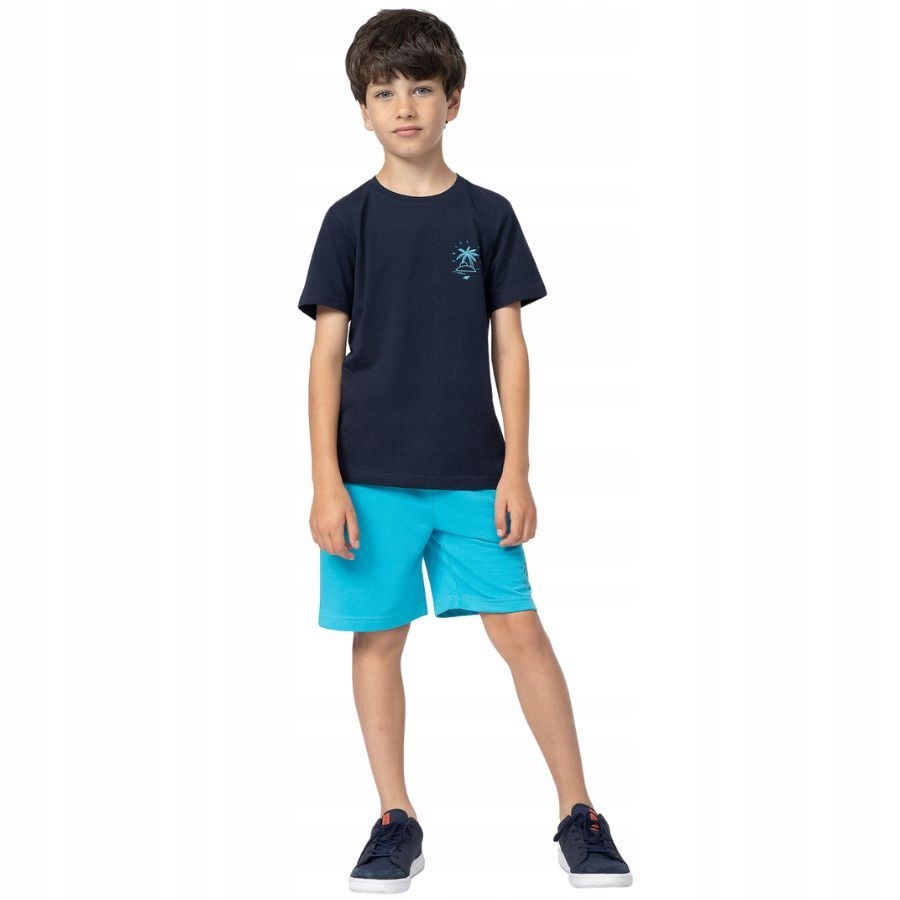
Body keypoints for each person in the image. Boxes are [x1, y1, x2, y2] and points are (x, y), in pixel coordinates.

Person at [296, 8, 632, 893]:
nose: (404, 106)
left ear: (453, 101)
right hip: (370, 479)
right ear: (363, 110)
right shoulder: (347, 221)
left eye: (421, 89)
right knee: (377, 640)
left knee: (521, 631)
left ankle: (579, 813)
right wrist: (326, 480)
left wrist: (517, 466)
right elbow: (325, 357)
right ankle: (394, 818)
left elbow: (509, 346)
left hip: (473, 475)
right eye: (384, 92)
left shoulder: (489, 215)